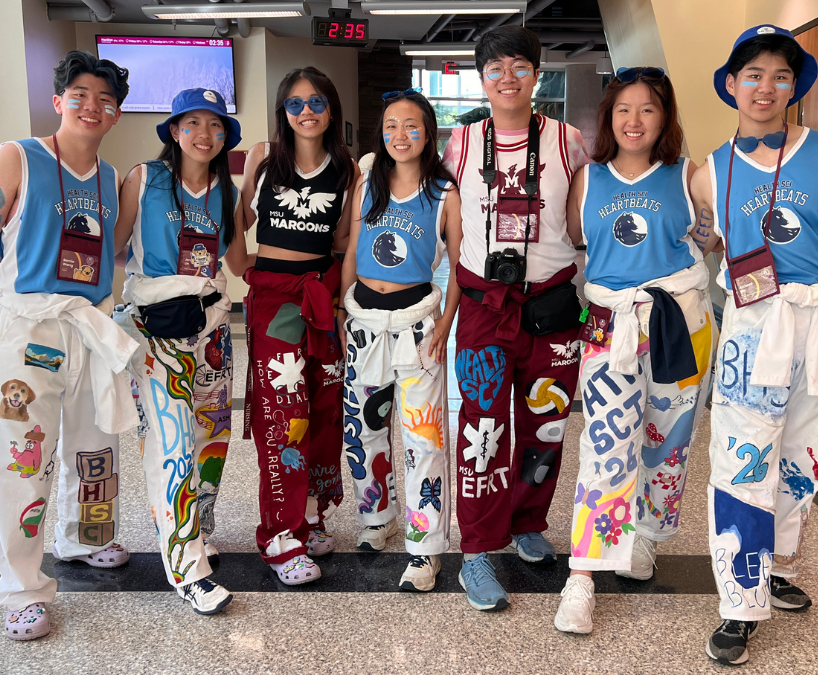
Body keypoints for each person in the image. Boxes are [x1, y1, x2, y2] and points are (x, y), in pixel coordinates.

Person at [690, 26, 818, 665]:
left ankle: (772, 562)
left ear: (794, 84)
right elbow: (702, 238)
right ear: (732, 85)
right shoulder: (709, 169)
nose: (765, 87)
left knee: (807, 459)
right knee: (743, 459)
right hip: (753, 329)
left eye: (778, 75)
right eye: (752, 75)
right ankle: (738, 603)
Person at [0, 51, 138, 640]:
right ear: (59, 101)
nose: (92, 107)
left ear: (116, 115)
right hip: (26, 327)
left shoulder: (111, 178)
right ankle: (20, 589)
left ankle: (83, 539)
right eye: (81, 96)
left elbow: (107, 254)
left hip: (86, 326)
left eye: (105, 101)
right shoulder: (18, 157)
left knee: (96, 444)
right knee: (24, 458)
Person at [552, 67, 718, 633]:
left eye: (648, 108)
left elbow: (714, 238)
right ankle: (583, 574)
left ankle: (646, 535)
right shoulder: (588, 179)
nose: (635, 120)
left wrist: (713, 239)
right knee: (605, 445)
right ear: (608, 116)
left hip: (681, 322)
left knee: (667, 441)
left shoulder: (687, 176)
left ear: (665, 117)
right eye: (624, 108)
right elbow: (577, 246)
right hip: (608, 326)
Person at [441, 25, 590, 611]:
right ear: (481, 77)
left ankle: (529, 522)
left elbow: (591, 214)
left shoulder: (568, 140)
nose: (508, 78)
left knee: (545, 425)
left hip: (551, 308)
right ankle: (477, 551)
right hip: (483, 308)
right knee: (482, 429)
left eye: (520, 67)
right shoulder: (459, 143)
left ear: (538, 73)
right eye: (496, 68)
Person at [113, 87, 249, 614]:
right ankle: (187, 567)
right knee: (169, 446)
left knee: (210, 439)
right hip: (156, 333)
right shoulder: (145, 179)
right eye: (192, 123)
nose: (204, 135)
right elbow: (115, 249)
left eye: (215, 127)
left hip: (212, 328)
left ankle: (201, 529)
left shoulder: (226, 192)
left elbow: (236, 262)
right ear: (173, 130)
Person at [238, 67, 359, 585]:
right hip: (275, 302)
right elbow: (234, 219)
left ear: (331, 110)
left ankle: (310, 514)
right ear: (282, 112)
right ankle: (278, 535)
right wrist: (239, 273)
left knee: (322, 408)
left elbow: (345, 245)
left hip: (322, 299)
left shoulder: (347, 170)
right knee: (284, 414)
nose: (305, 111)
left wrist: (340, 304)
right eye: (294, 103)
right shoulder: (264, 160)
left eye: (315, 102)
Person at [338, 88, 462, 592]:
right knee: (364, 429)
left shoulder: (444, 193)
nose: (400, 135)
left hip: (417, 326)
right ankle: (377, 515)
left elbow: (458, 268)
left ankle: (425, 548)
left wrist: (445, 325)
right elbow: (349, 250)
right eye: (391, 125)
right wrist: (342, 309)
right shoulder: (365, 183)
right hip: (364, 320)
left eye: (411, 125)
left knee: (423, 439)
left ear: (428, 133)